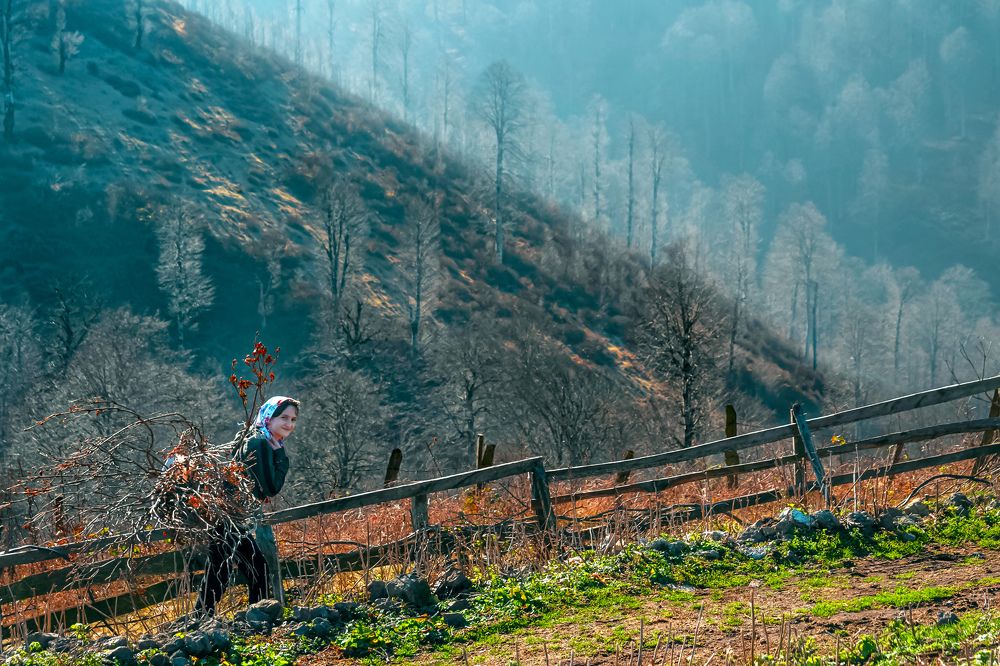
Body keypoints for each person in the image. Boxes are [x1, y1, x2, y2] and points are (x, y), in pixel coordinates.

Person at [196, 396, 299, 616]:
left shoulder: (252, 437)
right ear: (269, 418)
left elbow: (255, 483)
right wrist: (281, 457)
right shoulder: (260, 442)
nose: (289, 424)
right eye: (284, 417)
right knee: (247, 570)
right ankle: (255, 620)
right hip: (229, 518)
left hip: (228, 516)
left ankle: (203, 619)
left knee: (224, 572)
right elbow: (271, 487)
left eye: (293, 419)